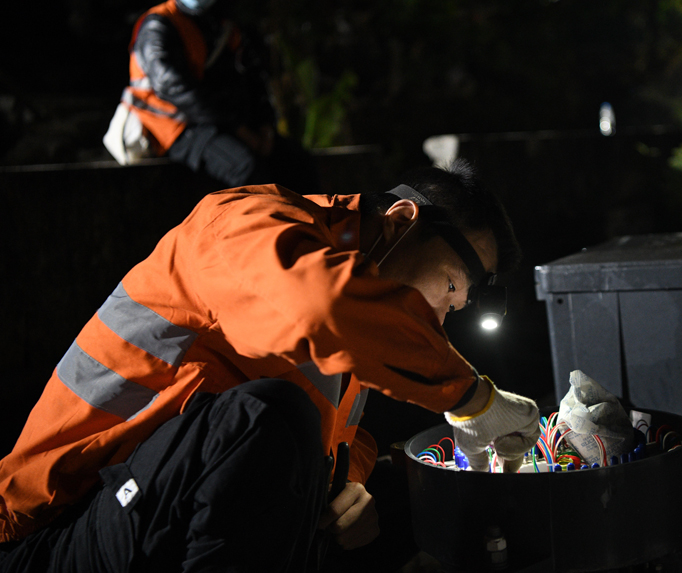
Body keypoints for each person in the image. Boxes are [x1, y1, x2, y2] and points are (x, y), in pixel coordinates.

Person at [0, 159, 541, 572]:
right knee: (266, 415)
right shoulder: (244, 222)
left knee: (408, 490)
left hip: (159, 513)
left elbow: (334, 440)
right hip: (56, 527)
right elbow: (319, 311)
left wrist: (349, 491)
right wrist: (473, 400)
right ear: (401, 221)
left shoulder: (362, 316)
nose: (438, 322)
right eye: (449, 289)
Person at [120, 0, 319, 192]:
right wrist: (240, 130)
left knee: (298, 162)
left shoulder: (220, 22)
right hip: (175, 126)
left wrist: (265, 125)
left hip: (225, 120)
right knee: (245, 168)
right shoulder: (158, 24)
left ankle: (310, 225)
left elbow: (253, 77)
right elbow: (173, 87)